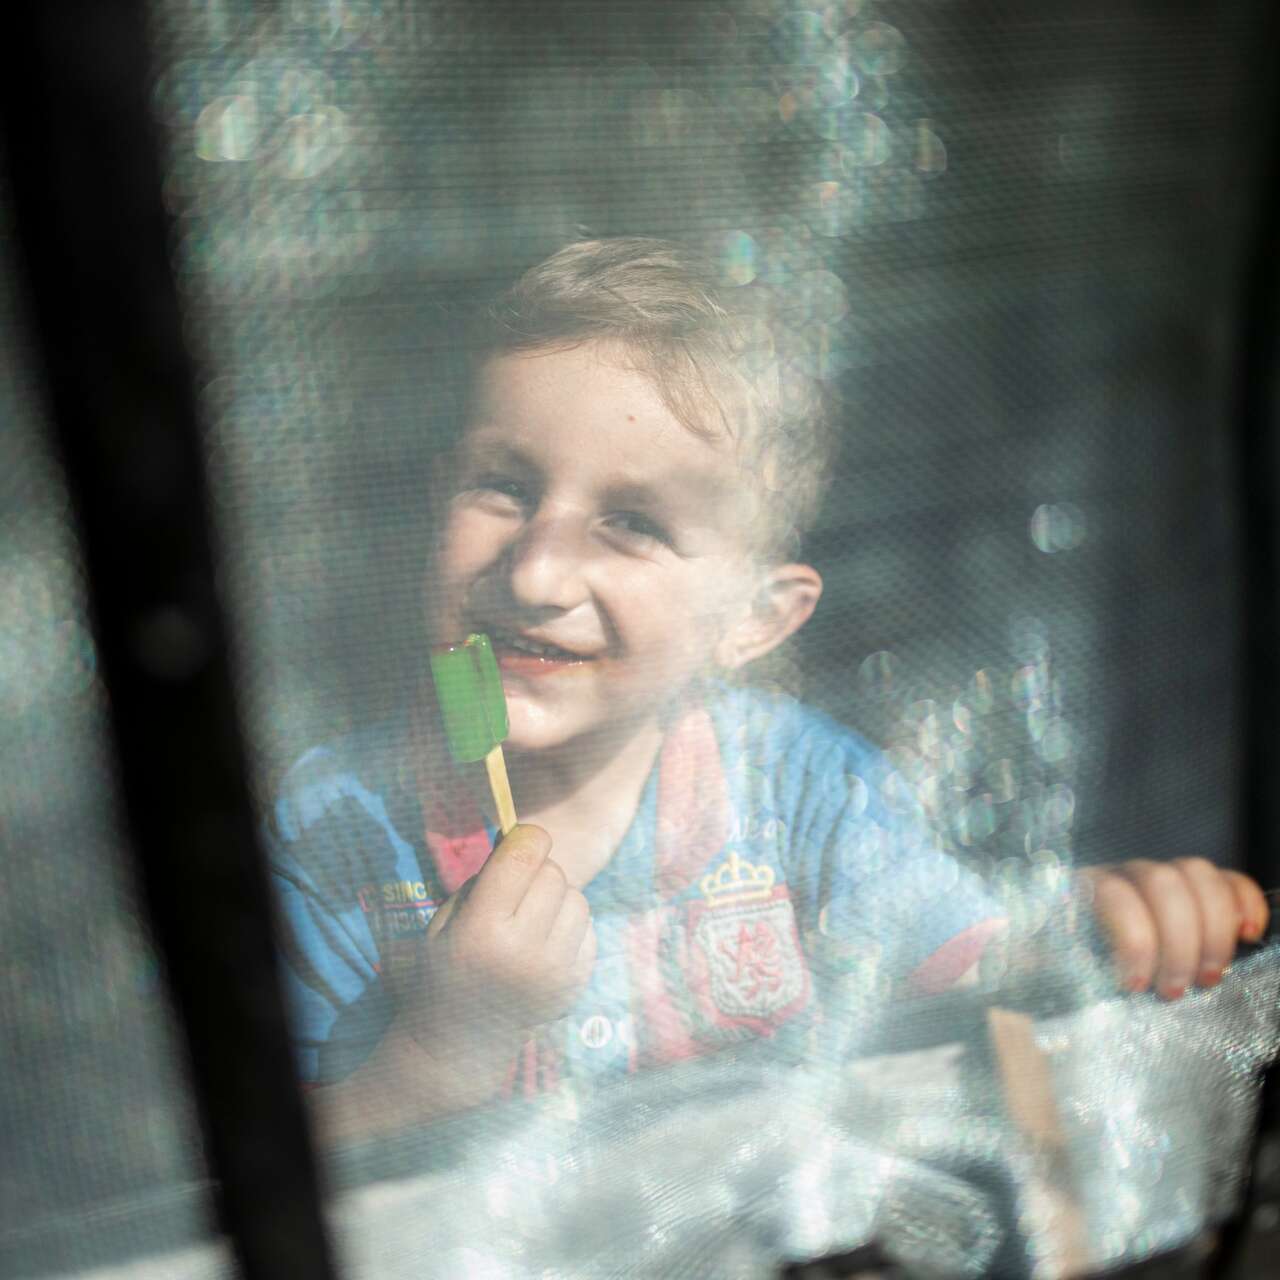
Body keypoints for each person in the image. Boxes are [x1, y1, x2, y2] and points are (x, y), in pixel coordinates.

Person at [266, 238, 1269, 1142]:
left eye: (632, 522)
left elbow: (977, 972)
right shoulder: (338, 829)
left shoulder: (802, 789)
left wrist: (1094, 924)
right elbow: (265, 1179)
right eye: (504, 488)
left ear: (753, 620)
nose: (533, 573)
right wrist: (442, 1047)